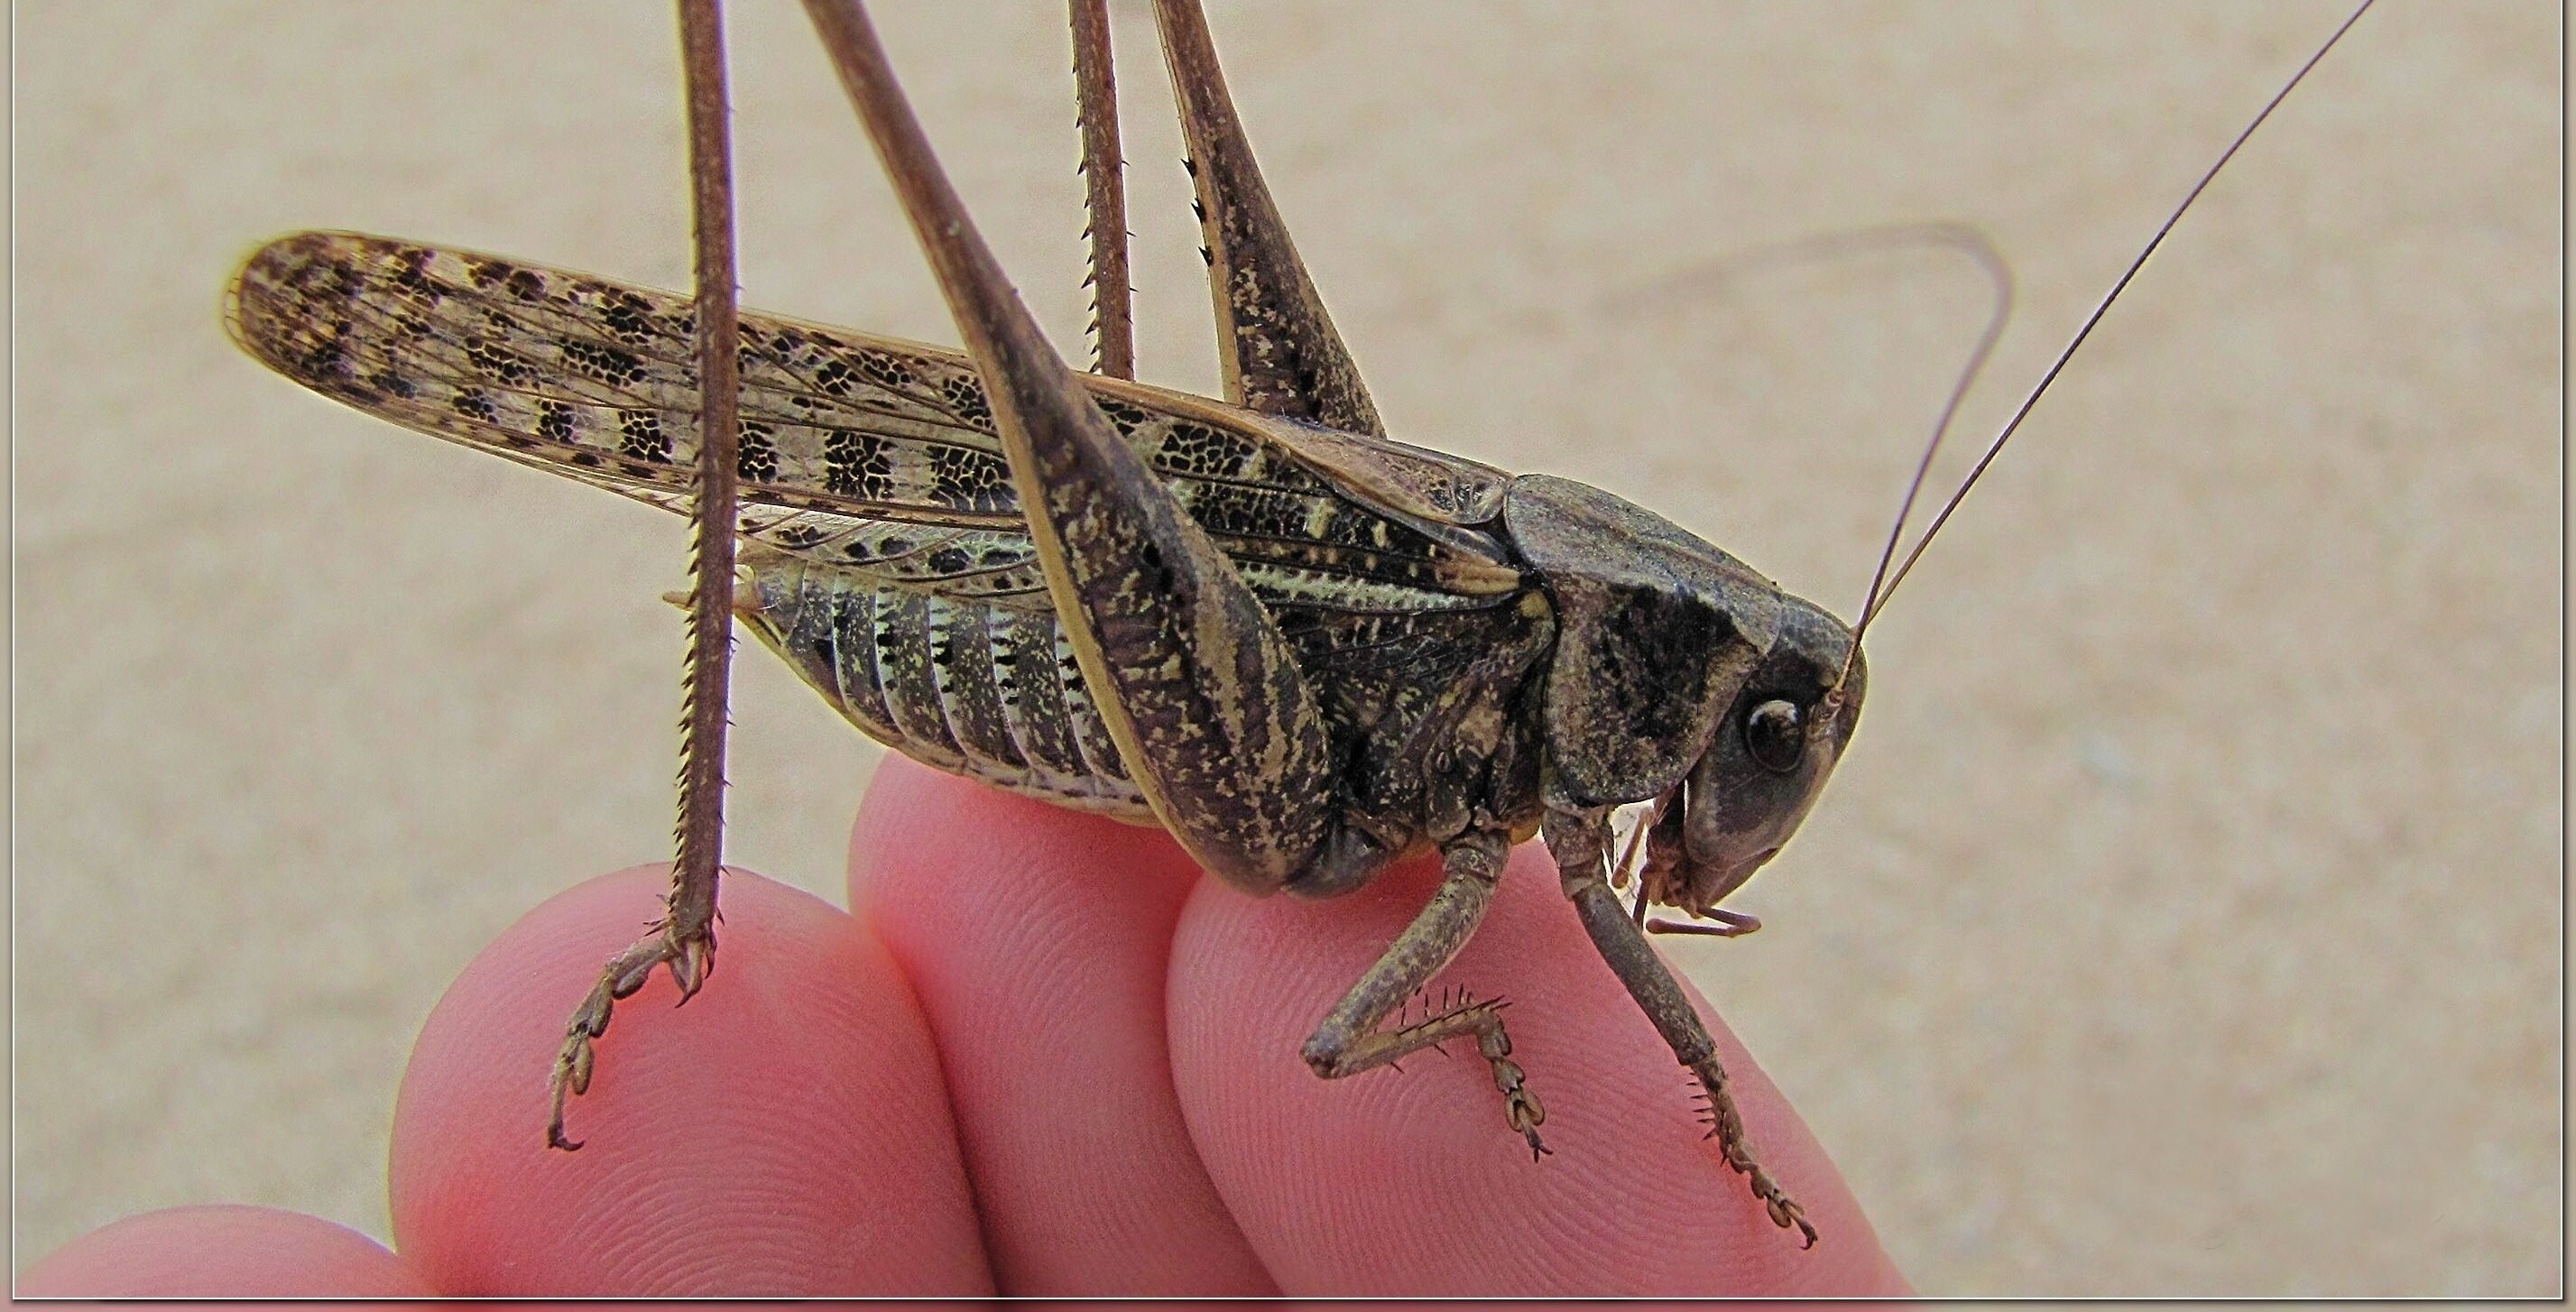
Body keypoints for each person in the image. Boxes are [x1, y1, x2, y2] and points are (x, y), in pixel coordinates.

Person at [22, 758, 1910, 1296]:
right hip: (1088, 642)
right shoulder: (1526, 824)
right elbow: (1346, 1034)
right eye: (1750, 742)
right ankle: (678, 924)